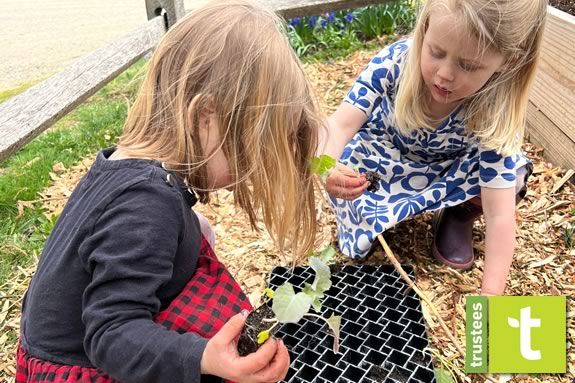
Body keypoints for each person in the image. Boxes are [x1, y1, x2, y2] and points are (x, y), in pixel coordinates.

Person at [16, 1, 323, 382]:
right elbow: (111, 333)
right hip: (83, 370)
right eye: (248, 153)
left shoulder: (125, 169)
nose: (248, 172)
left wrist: (186, 225)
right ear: (204, 116)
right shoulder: (147, 203)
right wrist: (203, 358)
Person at [321, 0, 548, 295]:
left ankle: (457, 215)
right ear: (425, 28)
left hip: (448, 169)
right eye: (436, 52)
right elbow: (338, 126)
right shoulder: (394, 63)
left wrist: (490, 299)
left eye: (468, 65)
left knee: (511, 177)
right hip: (386, 160)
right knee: (351, 182)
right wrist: (324, 168)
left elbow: (499, 215)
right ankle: (378, 215)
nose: (444, 74)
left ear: (508, 60)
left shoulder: (494, 106)